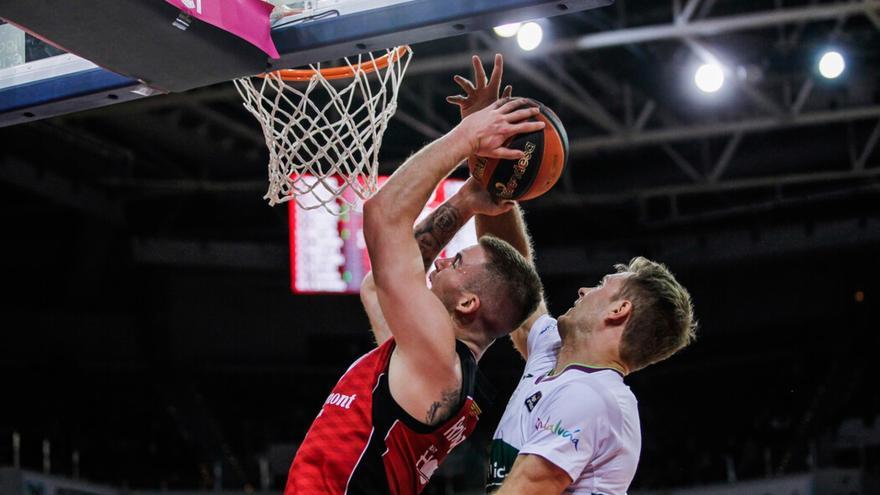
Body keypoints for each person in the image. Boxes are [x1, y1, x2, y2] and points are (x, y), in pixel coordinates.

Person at [443, 54, 698, 495]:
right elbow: (517, 284)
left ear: (619, 310)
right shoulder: (556, 360)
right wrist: (493, 175)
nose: (584, 289)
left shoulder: (593, 397)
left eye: (602, 287)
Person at [284, 92, 545, 494]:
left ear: (468, 303)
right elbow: (375, 288)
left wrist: (465, 137)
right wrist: (464, 202)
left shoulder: (437, 359)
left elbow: (383, 215)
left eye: (457, 263)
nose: (442, 260)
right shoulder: (432, 361)